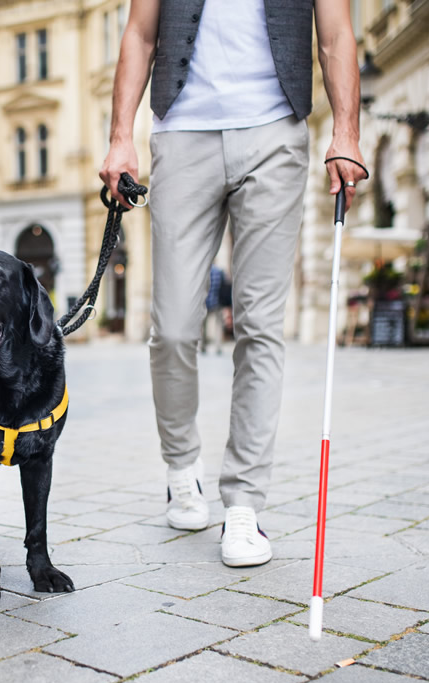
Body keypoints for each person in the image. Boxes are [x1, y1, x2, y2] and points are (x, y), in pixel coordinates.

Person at [100, 0, 367, 567]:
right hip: (182, 134)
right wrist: (121, 136)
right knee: (171, 327)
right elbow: (140, 35)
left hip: (276, 133)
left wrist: (347, 130)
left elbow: (337, 34)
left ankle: (244, 504)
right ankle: (181, 469)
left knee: (260, 325)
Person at [202, 264, 225, 355]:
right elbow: (223, 287)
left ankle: (203, 345)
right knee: (218, 326)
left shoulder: (205, 271)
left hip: (206, 302)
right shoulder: (219, 271)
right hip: (217, 302)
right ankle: (218, 346)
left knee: (204, 326)